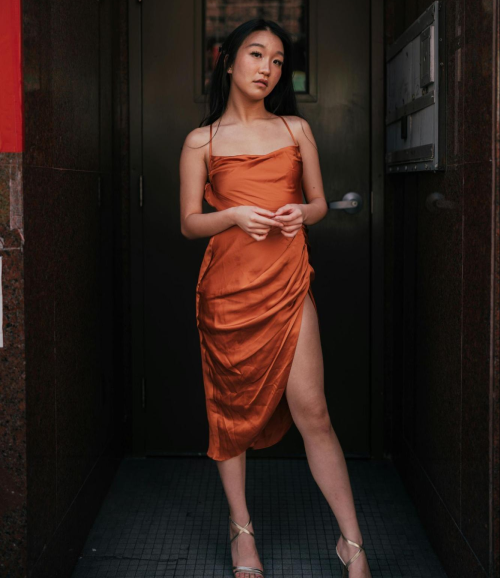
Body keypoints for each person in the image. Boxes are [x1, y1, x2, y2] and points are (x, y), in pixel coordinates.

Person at [179, 18, 372, 578]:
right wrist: (233, 215)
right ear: (228, 59)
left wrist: (301, 213)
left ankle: (352, 543)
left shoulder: (295, 130)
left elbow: (317, 204)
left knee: (314, 412)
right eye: (257, 55)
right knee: (230, 415)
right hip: (226, 294)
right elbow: (189, 223)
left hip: (288, 285)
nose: (267, 68)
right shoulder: (203, 140)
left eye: (278, 60)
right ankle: (242, 534)